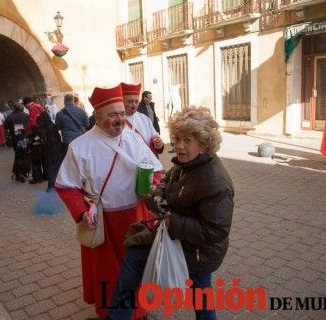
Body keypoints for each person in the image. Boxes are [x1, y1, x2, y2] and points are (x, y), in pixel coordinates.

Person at [109, 105, 234, 320]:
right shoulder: (188, 163)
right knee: (201, 296)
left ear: (203, 144)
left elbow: (215, 231)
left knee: (200, 293)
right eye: (176, 139)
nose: (179, 146)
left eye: (187, 140)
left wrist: (171, 221)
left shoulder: (215, 181)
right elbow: (169, 178)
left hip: (199, 251)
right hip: (183, 240)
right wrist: (156, 194)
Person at [56, 84, 163, 319]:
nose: (120, 120)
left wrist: (154, 184)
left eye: (122, 114)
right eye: (113, 115)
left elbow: (156, 170)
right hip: (103, 221)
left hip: (137, 216)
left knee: (137, 268)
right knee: (109, 273)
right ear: (98, 116)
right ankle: (110, 313)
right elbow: (66, 185)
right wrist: (83, 211)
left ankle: (139, 311)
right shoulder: (79, 146)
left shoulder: (134, 139)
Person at [121, 83, 164, 155]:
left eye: (136, 101)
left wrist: (158, 143)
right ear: (122, 101)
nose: (134, 105)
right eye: (130, 101)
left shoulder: (145, 119)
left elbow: (154, 137)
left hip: (145, 164)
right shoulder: (116, 122)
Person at [5, 102, 31, 182]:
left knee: (18, 156)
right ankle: (25, 172)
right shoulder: (26, 116)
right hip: (24, 138)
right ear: (21, 108)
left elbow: (5, 127)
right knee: (25, 155)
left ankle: (18, 174)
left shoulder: (10, 116)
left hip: (16, 139)